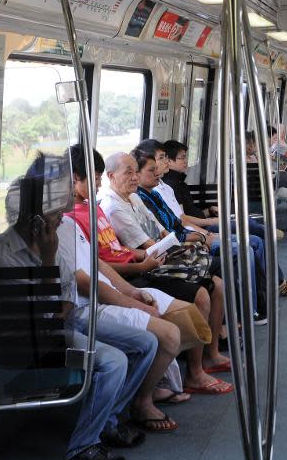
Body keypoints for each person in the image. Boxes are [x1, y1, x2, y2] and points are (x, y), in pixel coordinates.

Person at [0, 153, 157, 460]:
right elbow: (41, 323)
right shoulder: (4, 259)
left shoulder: (51, 243)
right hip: (26, 346)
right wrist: (47, 265)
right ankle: (84, 445)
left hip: (56, 327)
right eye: (55, 215)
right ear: (34, 221)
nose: (62, 219)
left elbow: (65, 302)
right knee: (113, 361)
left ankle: (107, 422)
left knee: (146, 342)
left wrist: (57, 296)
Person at [65, 145, 231, 376]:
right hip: (131, 274)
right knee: (201, 292)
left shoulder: (98, 208)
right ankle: (195, 371)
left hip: (141, 264)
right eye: (95, 179)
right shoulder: (86, 215)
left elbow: (121, 248)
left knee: (216, 279)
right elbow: (93, 270)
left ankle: (211, 348)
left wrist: (146, 256)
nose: (99, 185)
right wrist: (140, 269)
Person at [151, 139, 287, 296]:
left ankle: (271, 272)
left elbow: (187, 213)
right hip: (199, 229)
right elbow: (183, 220)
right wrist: (210, 224)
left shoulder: (174, 184)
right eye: (181, 157)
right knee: (252, 234)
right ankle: (273, 281)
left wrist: (209, 210)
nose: (185, 161)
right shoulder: (169, 186)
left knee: (249, 227)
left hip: (201, 224)